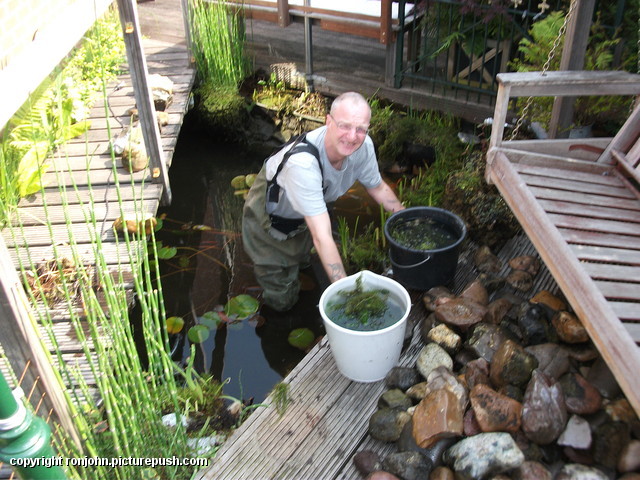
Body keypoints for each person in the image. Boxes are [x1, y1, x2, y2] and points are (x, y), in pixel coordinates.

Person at [242, 91, 405, 312]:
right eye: (344, 126)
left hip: (304, 216)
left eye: (360, 129)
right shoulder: (303, 165)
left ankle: (301, 264)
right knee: (282, 298)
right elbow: (322, 237)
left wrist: (405, 220)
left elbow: (377, 187)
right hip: (270, 221)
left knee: (304, 261)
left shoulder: (363, 146)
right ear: (328, 121)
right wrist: (348, 292)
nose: (352, 136)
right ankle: (279, 324)